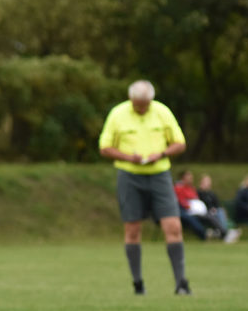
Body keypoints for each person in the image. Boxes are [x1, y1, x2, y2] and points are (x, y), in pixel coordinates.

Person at [98, 80, 191, 295]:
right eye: (138, 104)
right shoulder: (118, 114)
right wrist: (128, 157)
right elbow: (104, 147)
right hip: (129, 176)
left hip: (159, 174)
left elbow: (180, 143)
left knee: (173, 227)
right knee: (132, 229)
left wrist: (162, 154)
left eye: (145, 104)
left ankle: (181, 283)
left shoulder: (162, 112)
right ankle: (138, 284)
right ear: (131, 99)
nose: (142, 108)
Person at [197, 174, 240, 243]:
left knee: (220, 211)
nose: (208, 183)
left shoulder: (211, 193)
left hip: (214, 211)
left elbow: (217, 204)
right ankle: (226, 233)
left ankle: (221, 232)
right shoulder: (199, 192)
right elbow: (200, 204)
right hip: (205, 212)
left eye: (208, 182)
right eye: (206, 182)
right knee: (216, 214)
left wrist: (216, 209)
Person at [173, 169, 214, 240]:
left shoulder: (191, 188)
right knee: (191, 219)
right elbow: (180, 200)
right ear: (183, 178)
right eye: (189, 176)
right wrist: (188, 206)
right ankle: (204, 235)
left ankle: (220, 233)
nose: (191, 178)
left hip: (194, 210)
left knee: (209, 217)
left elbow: (195, 197)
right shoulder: (178, 188)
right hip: (182, 209)